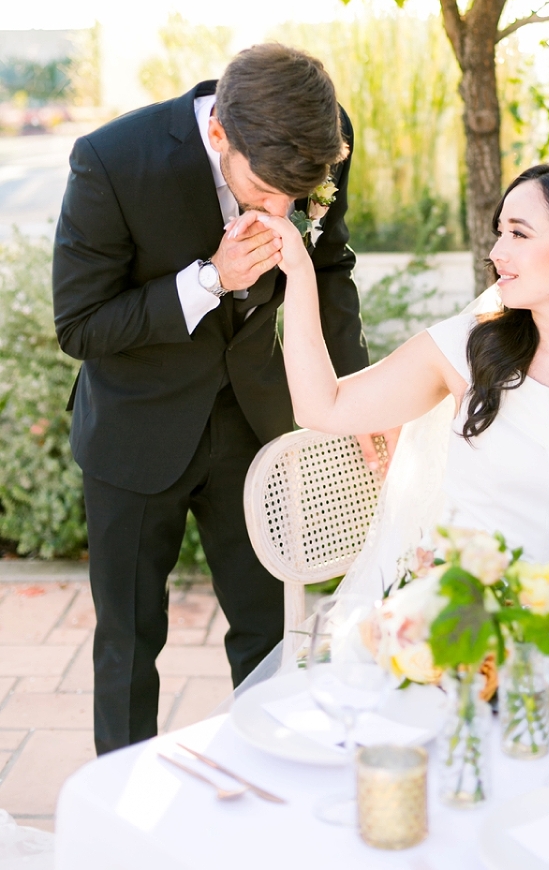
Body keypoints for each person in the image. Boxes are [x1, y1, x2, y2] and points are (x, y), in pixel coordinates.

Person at [52, 43, 381, 755]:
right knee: (129, 643)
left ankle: (272, 783)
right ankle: (123, 801)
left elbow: (330, 270)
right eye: (265, 189)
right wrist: (209, 279)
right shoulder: (112, 160)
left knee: (270, 633)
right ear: (219, 133)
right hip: (136, 432)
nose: (284, 209)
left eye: (299, 194)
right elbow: (80, 325)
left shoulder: (321, 136)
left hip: (254, 426)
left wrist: (357, 399)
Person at [245, 162, 549, 593]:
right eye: (500, 232)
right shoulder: (466, 348)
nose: (496, 253)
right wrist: (300, 272)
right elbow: (322, 408)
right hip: (462, 613)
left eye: (519, 234)